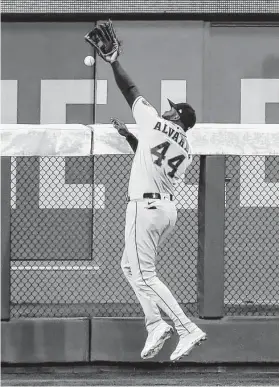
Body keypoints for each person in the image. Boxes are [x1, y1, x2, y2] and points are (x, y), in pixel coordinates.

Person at [107, 53, 206, 361]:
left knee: (146, 274)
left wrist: (113, 62)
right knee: (129, 266)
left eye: (172, 108)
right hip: (165, 212)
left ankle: (185, 327)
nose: (166, 109)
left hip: (144, 207)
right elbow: (151, 155)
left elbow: (130, 89)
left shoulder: (156, 122)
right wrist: (129, 137)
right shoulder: (186, 147)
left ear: (176, 117)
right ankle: (155, 324)